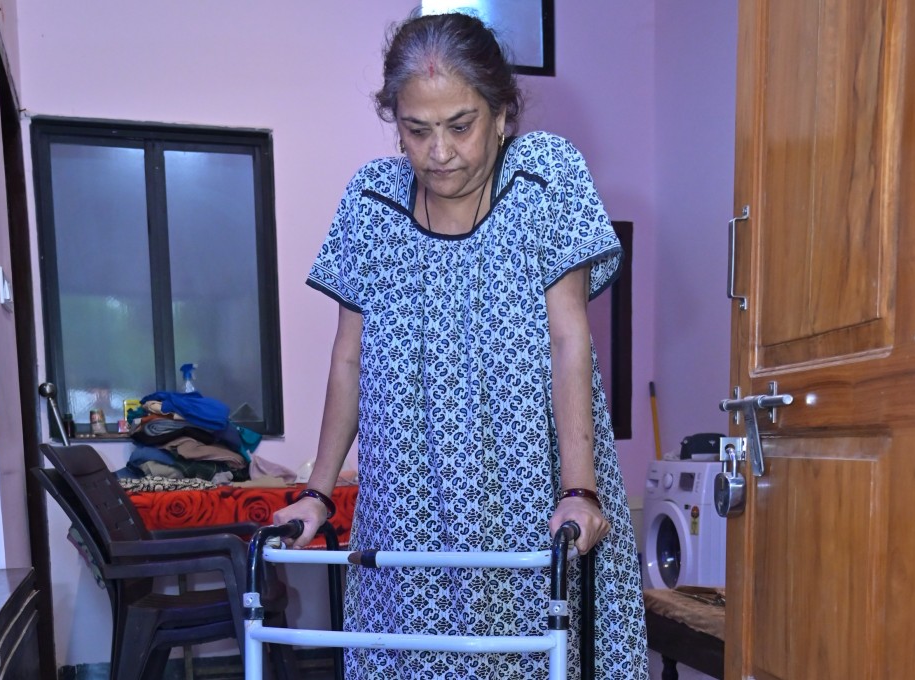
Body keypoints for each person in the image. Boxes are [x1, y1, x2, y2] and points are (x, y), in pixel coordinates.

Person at [274, 11, 649, 679]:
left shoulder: (544, 178)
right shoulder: (370, 201)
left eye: (460, 125)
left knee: (533, 654)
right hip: (409, 504)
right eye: (417, 130)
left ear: (501, 115)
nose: (438, 151)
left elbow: (569, 338)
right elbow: (348, 359)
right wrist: (318, 494)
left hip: (528, 493)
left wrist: (580, 492)